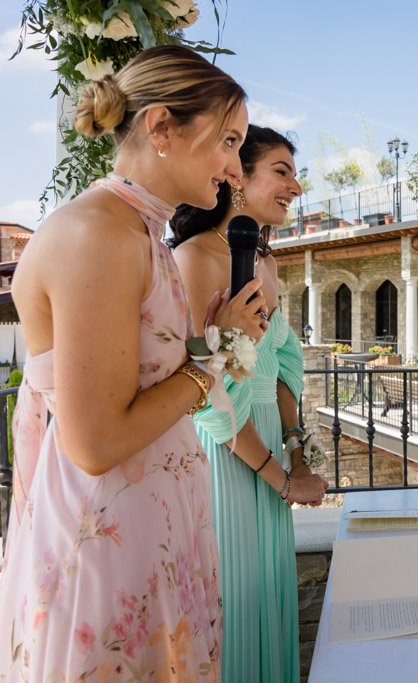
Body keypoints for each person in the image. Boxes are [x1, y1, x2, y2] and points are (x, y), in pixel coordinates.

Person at [0, 45, 267, 679]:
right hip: (105, 551)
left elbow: (140, 384)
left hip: (146, 532)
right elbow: (96, 442)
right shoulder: (98, 234)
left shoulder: (138, 231)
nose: (235, 170)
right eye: (228, 142)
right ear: (161, 127)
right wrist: (213, 358)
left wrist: (210, 341)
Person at [170, 125, 328, 681]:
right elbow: (204, 397)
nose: (296, 187)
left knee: (267, 604)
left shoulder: (268, 263)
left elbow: (280, 367)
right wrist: (280, 480)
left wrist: (297, 455)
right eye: (281, 172)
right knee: (232, 613)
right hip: (224, 454)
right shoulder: (193, 258)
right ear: (237, 177)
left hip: (268, 454)